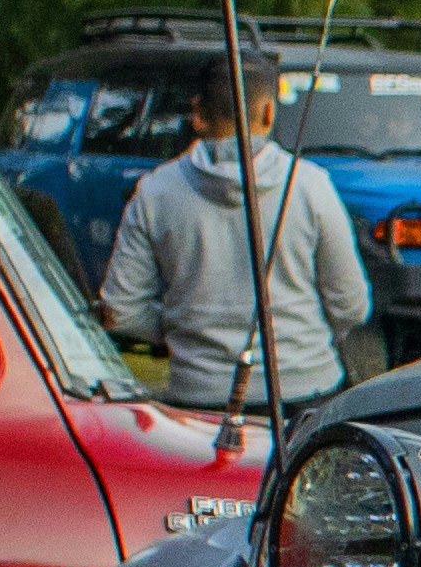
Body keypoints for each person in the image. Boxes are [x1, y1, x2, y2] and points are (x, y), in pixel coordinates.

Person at [94, 54, 371, 411]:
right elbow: (352, 305)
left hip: (197, 396)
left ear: (197, 112)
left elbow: (120, 309)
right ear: (270, 112)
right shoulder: (310, 185)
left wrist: (183, 329)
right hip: (306, 391)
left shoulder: (155, 191)